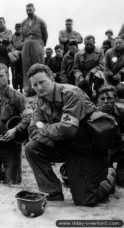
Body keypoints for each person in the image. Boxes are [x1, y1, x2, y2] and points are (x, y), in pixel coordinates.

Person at [25, 63, 116, 206]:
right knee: (32, 148)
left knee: (85, 200)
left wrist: (44, 127)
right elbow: (32, 129)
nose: (38, 87)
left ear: (52, 78)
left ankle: (109, 175)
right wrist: (51, 138)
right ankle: (53, 192)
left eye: (42, 82)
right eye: (34, 85)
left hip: (87, 148)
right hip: (63, 144)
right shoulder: (40, 100)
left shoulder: (71, 93)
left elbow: (68, 129)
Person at [21, 3, 48, 93]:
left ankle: (41, 88)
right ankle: (28, 89)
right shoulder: (23, 22)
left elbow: (45, 35)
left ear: (34, 10)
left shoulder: (41, 21)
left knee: (38, 66)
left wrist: (41, 45)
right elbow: (22, 37)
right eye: (27, 10)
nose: (29, 12)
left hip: (37, 44)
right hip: (26, 46)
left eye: (30, 10)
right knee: (26, 67)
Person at [10, 23, 24, 91]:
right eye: (17, 28)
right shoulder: (12, 36)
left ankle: (21, 88)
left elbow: (26, 45)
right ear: (15, 28)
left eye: (19, 28)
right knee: (14, 74)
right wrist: (13, 50)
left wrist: (21, 51)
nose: (18, 29)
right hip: (14, 56)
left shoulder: (24, 36)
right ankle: (15, 89)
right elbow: (10, 45)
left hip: (22, 56)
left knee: (21, 73)